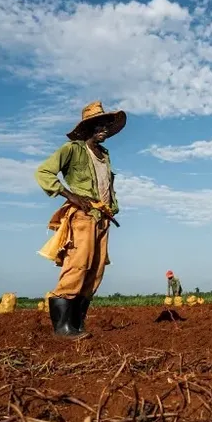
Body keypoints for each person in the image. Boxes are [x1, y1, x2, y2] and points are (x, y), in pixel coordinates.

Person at [35, 101, 126, 339]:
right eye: (98, 124)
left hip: (102, 217)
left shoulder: (105, 156)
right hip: (82, 216)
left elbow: (107, 186)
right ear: (87, 128)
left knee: (95, 271)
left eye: (106, 124)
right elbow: (43, 172)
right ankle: (62, 327)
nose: (103, 128)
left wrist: (112, 207)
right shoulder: (72, 150)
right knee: (78, 264)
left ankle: (76, 324)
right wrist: (70, 195)